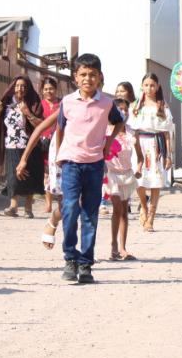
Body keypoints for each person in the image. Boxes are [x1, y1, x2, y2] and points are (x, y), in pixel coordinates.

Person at [17, 53, 124, 284]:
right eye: (83, 74)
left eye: (93, 75)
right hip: (71, 164)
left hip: (94, 165)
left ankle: (85, 264)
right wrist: (60, 155)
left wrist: (107, 145)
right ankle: (70, 258)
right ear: (76, 77)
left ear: (100, 77)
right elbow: (61, 129)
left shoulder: (106, 103)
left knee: (89, 215)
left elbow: (119, 122)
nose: (88, 79)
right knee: (69, 209)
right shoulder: (67, 102)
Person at [0, 76, 43, 218]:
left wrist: (27, 113)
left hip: (31, 145)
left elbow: (40, 125)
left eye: (23, 86)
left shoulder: (34, 103)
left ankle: (28, 208)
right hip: (11, 144)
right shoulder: (6, 104)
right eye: (17, 86)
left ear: (28, 88)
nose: (20, 89)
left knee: (29, 175)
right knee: (13, 176)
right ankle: (13, 206)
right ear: (12, 87)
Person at [130, 73, 173, 232]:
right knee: (139, 181)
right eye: (146, 85)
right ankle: (143, 205)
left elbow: (167, 133)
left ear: (157, 87)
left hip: (156, 146)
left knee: (155, 181)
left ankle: (151, 218)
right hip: (139, 145)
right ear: (142, 86)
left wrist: (169, 155)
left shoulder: (162, 106)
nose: (149, 88)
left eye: (152, 85)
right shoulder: (135, 106)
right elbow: (131, 129)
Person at [105, 96, 137, 260]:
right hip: (111, 174)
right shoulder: (106, 130)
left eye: (126, 109)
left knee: (124, 211)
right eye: (120, 109)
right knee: (116, 207)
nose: (123, 112)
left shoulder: (131, 131)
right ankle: (113, 245)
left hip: (127, 174)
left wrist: (139, 166)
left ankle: (123, 247)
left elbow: (138, 150)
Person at [39, 76, 62, 240]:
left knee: (55, 171)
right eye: (46, 89)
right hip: (43, 140)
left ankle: (57, 202)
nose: (49, 91)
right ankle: (48, 203)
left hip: (58, 141)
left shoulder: (61, 104)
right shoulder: (40, 105)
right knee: (46, 172)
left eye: (51, 89)